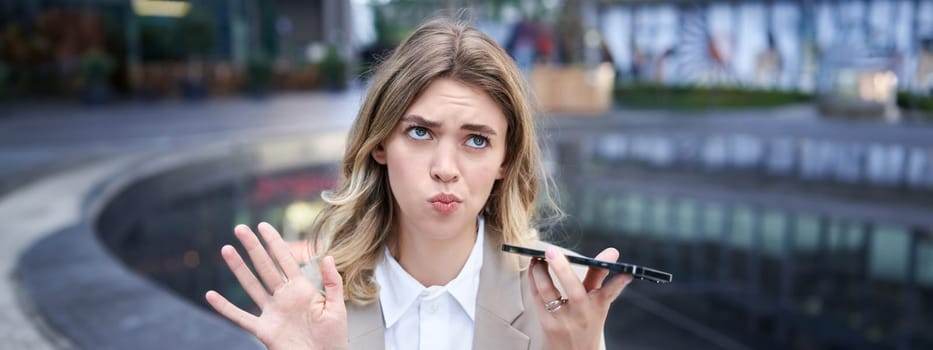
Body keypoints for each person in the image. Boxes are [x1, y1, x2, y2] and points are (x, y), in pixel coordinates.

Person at [204, 18, 632, 350]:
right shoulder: (309, 299)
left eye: (477, 140)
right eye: (420, 132)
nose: (446, 168)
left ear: (505, 160)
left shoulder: (568, 295)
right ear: (380, 143)